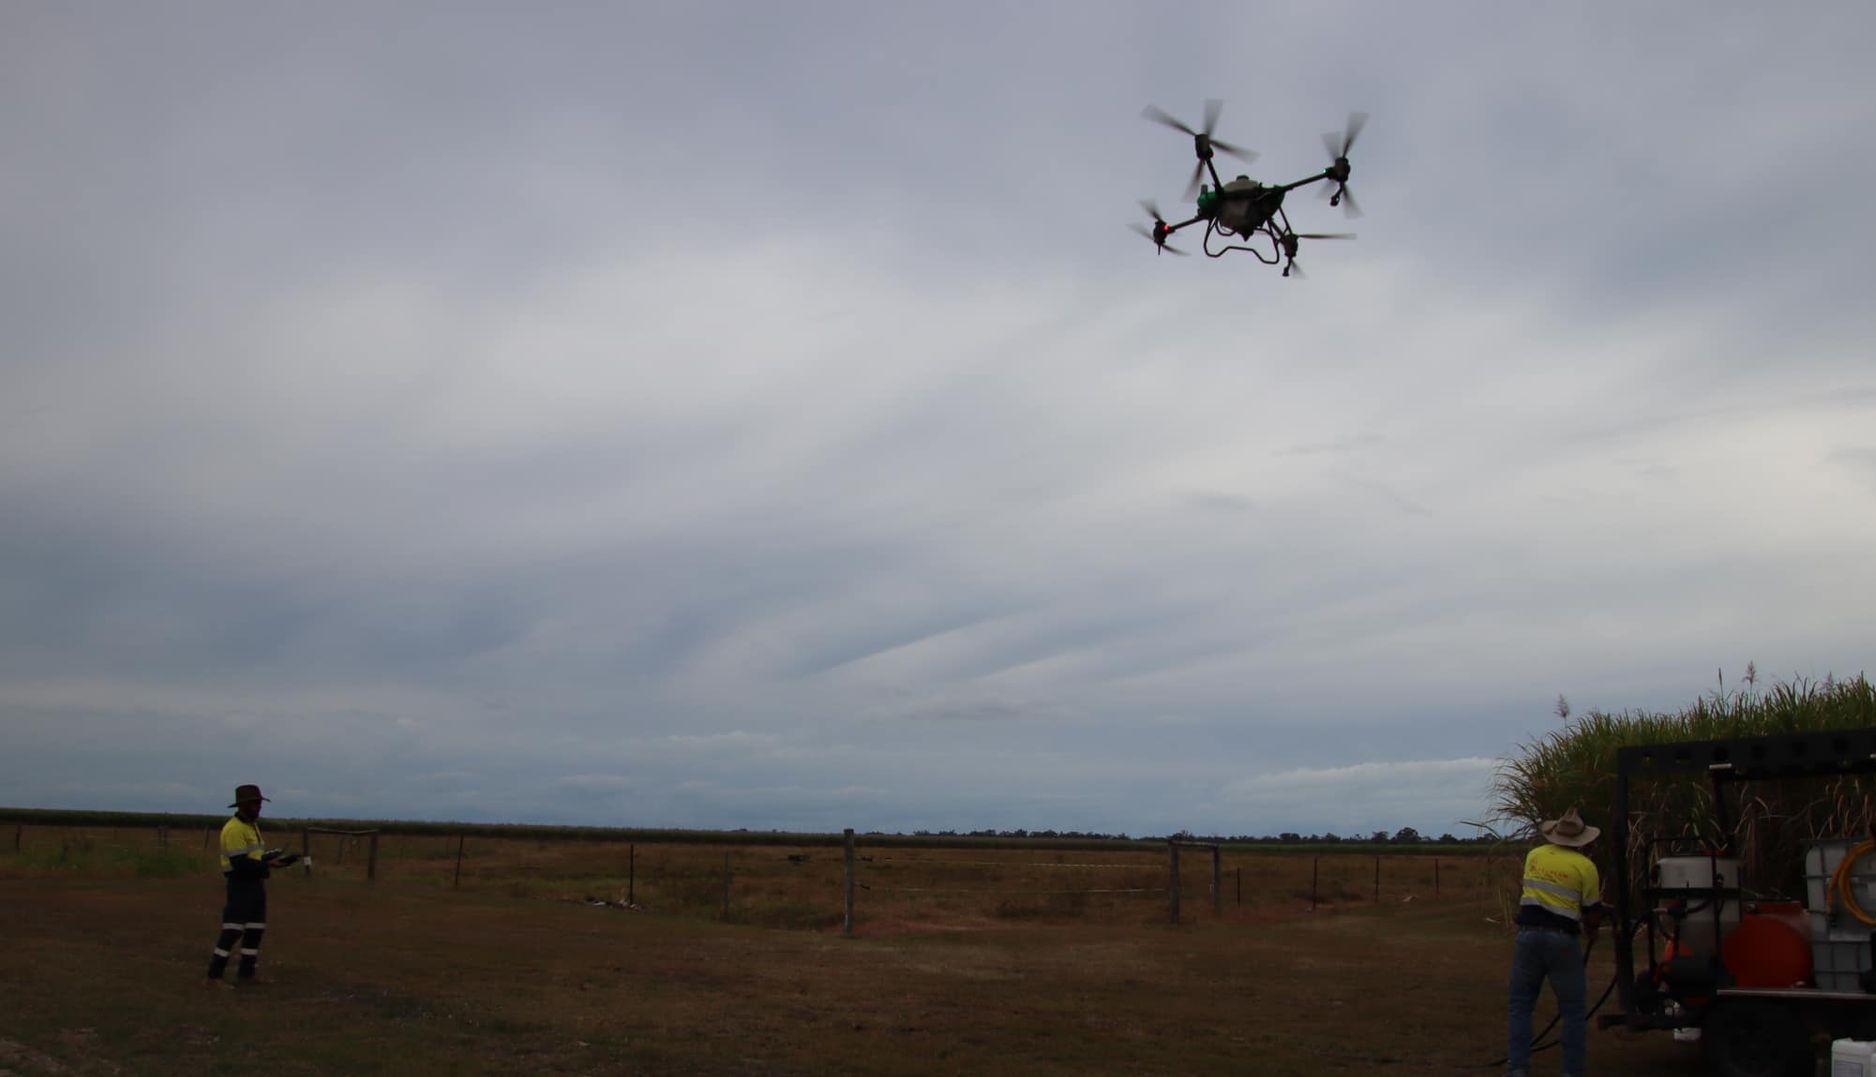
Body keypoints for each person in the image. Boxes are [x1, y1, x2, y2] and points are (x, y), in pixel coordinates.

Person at [1505, 807, 1603, 1077]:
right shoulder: (1586, 867)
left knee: (1520, 1004)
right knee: (1572, 1009)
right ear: (1582, 840)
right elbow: (1592, 910)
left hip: (1527, 935)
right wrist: (1593, 930)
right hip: (1561, 940)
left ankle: (1517, 1068)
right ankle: (1571, 1072)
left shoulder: (1534, 855)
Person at [205, 784, 295, 986]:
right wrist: (267, 864)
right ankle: (214, 976)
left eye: (260, 803)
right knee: (233, 930)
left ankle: (247, 974)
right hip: (240, 885)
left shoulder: (252, 826)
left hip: (255, 884)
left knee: (255, 929)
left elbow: (254, 857)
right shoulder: (234, 829)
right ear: (243, 805)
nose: (259, 807)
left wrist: (273, 861)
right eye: (255, 803)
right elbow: (240, 864)